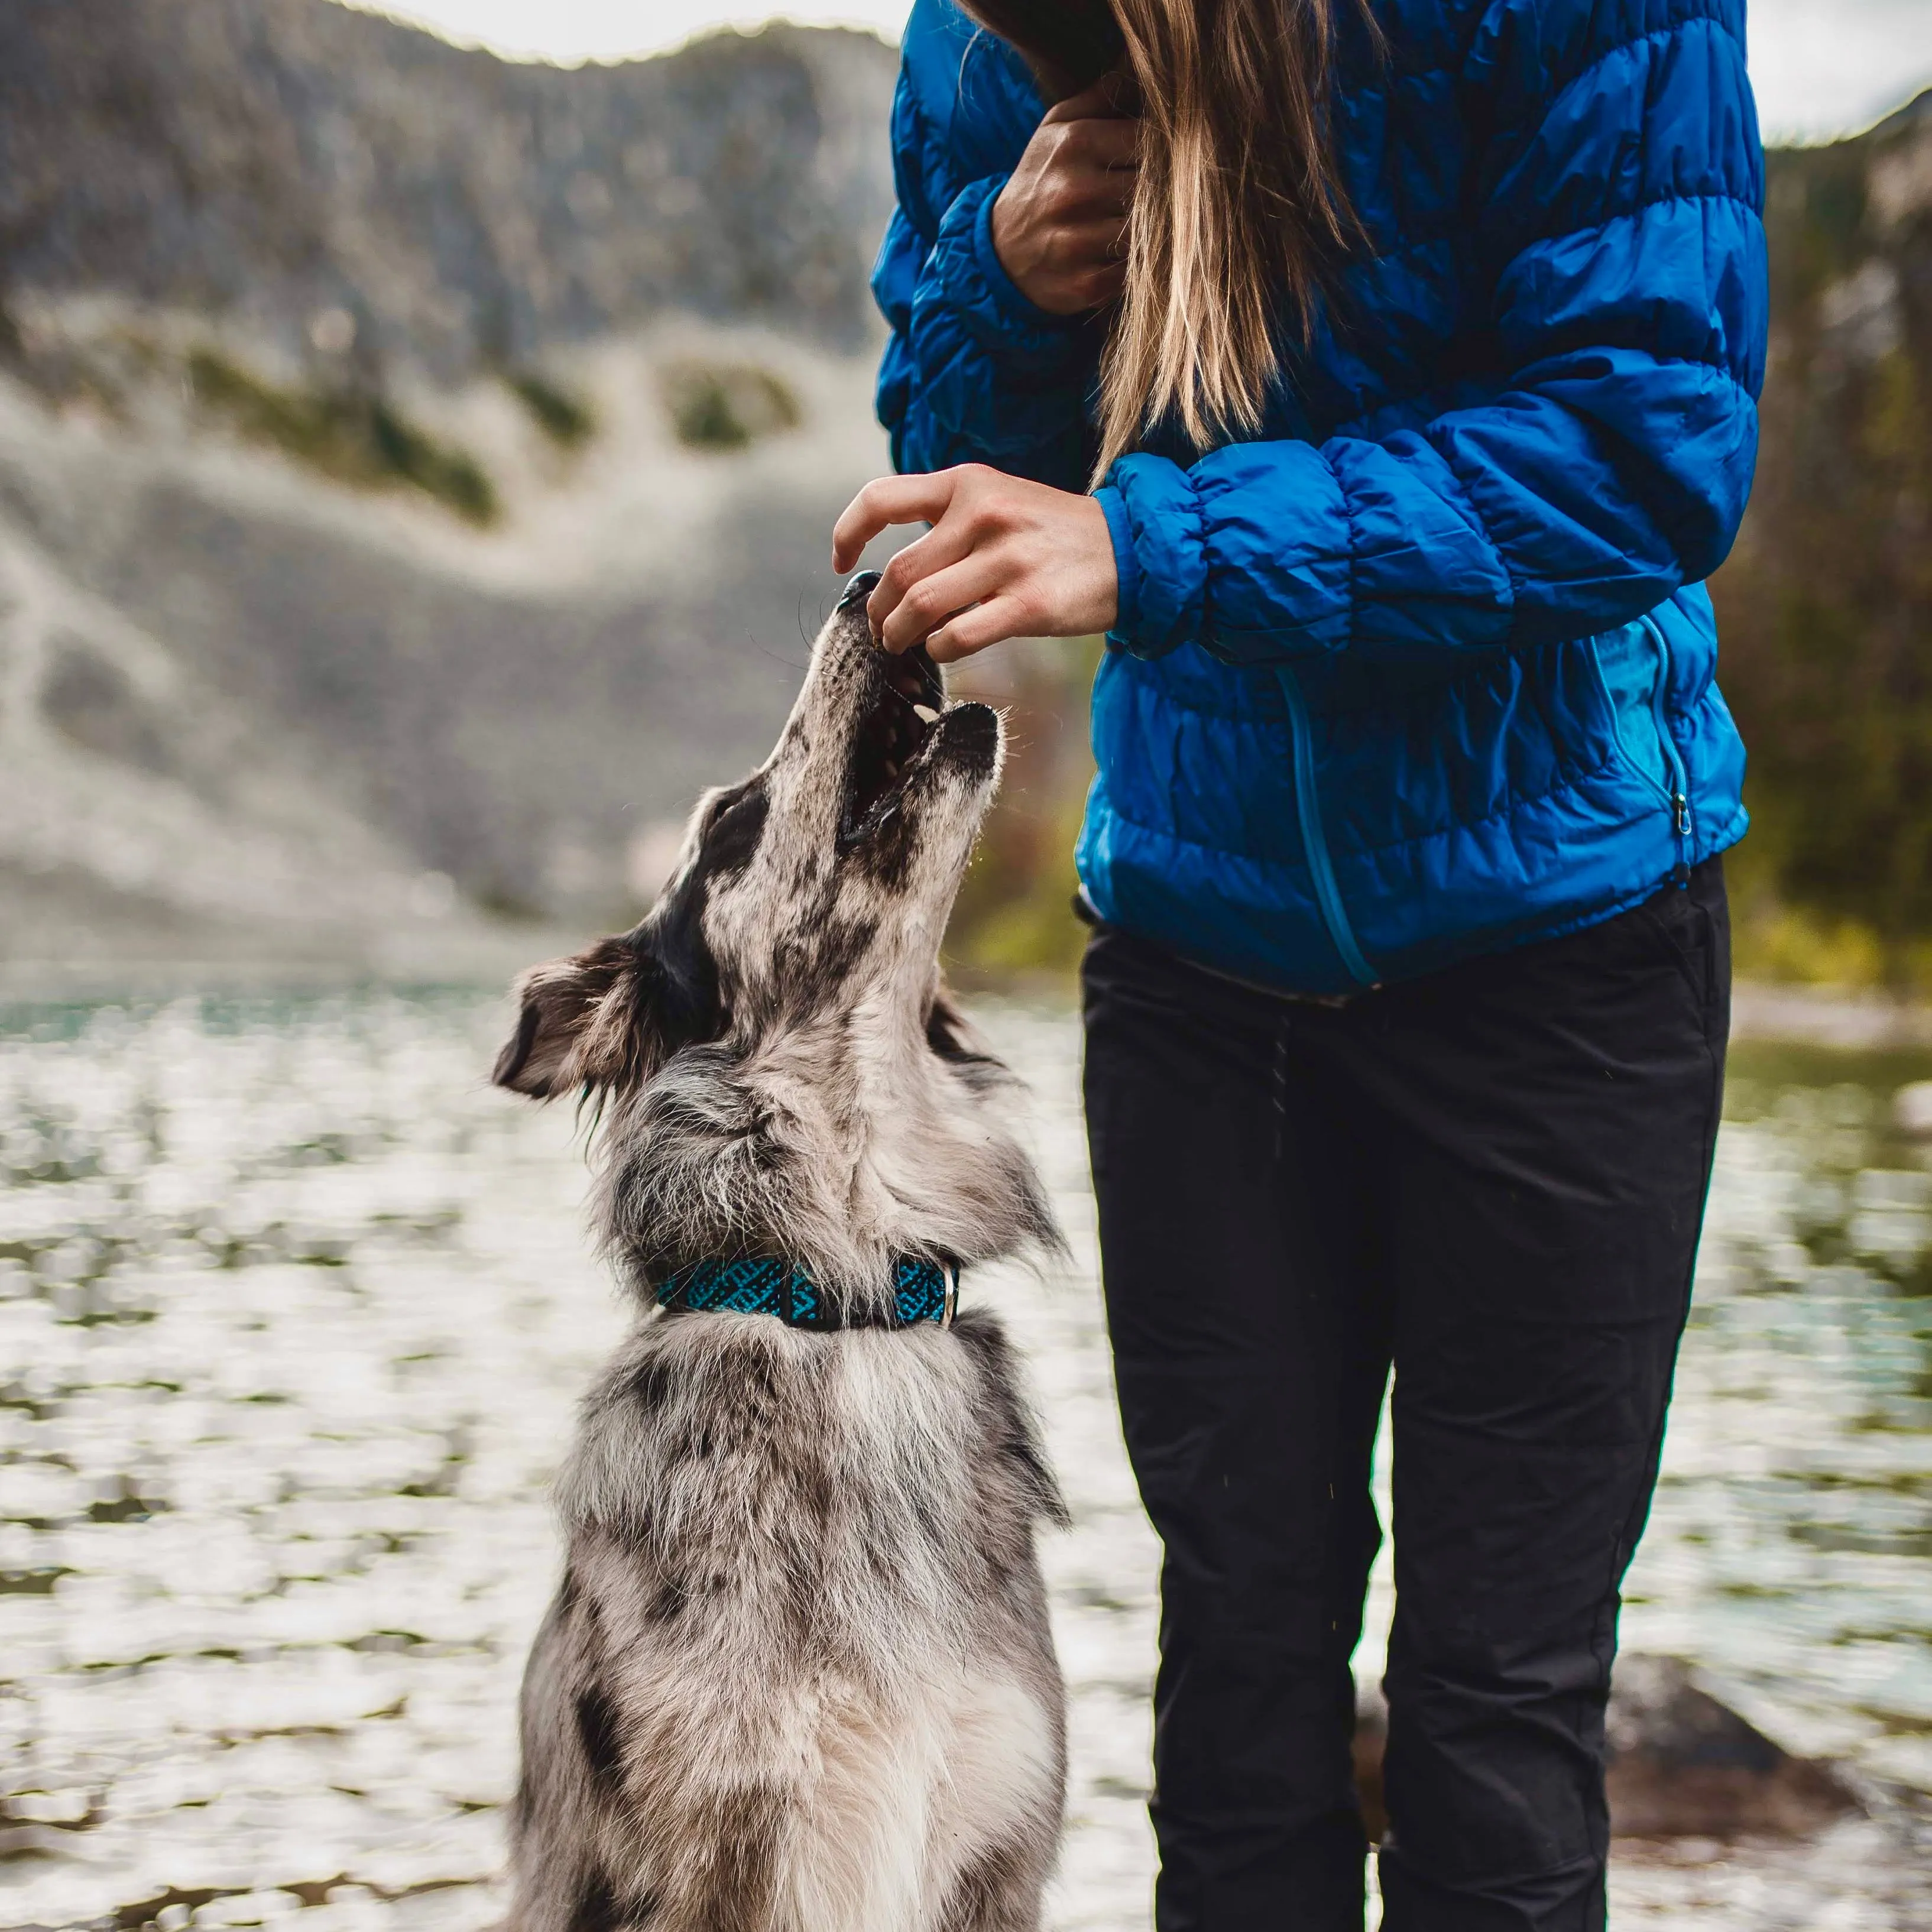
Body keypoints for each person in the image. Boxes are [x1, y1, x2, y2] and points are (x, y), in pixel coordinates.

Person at [832, 0, 1764, 1924]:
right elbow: (959, 458)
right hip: (1197, 955)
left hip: (1563, 948)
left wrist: (1156, 549)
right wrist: (1000, 284)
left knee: (1493, 1722)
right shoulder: (978, 42)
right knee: (1237, 1690)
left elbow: (1644, 447)